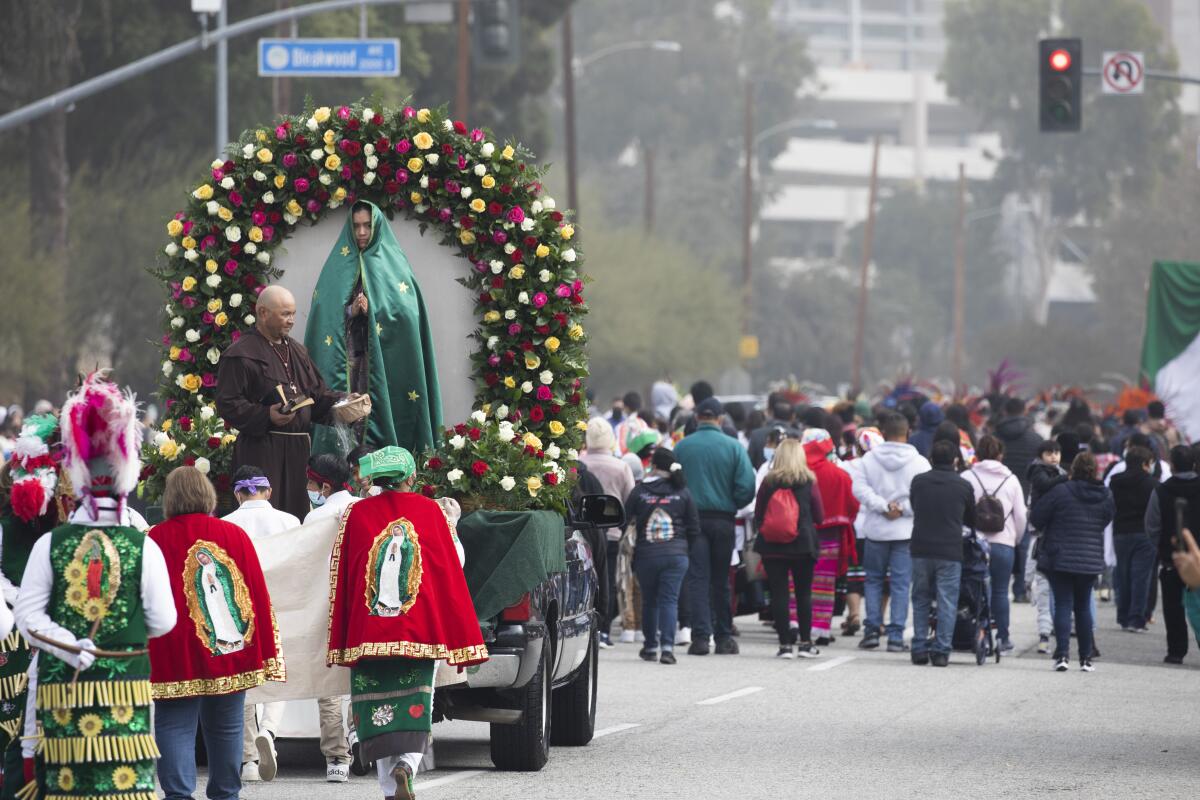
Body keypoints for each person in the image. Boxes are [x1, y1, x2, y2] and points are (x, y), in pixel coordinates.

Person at [13, 374, 177, 800]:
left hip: (62, 691)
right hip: (128, 689)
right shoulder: (144, 544)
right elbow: (163, 619)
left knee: (69, 788)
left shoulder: (51, 543)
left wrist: (69, 643)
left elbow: (28, 618)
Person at [327, 447, 487, 800]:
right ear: (411, 478)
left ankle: (389, 788)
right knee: (418, 701)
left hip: (370, 629)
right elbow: (453, 562)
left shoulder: (357, 513)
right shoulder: (430, 511)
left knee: (376, 706)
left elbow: (344, 569)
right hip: (419, 629)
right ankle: (408, 766)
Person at [149, 467, 284, 800]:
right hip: (228, 647)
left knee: (174, 724)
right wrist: (261, 643)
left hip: (173, 646)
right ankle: (226, 793)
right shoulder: (232, 534)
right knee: (226, 725)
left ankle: (178, 794)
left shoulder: (155, 538)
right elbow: (255, 593)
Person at [216, 285, 369, 520]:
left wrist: (344, 404)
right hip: (261, 451)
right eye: (285, 314)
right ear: (263, 312)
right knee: (265, 519)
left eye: (293, 314)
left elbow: (317, 398)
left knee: (294, 518)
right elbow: (227, 404)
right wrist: (266, 415)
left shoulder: (297, 351)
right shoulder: (241, 353)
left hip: (298, 452)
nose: (291, 321)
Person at [306, 200, 441, 456]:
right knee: (349, 413)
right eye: (356, 226)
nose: (361, 233)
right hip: (350, 362)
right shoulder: (337, 266)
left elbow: (407, 314)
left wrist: (375, 313)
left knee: (377, 411)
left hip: (382, 364)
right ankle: (343, 467)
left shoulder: (393, 264)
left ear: (377, 226)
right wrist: (351, 311)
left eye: (367, 226)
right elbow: (325, 312)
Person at [0, 413, 67, 797]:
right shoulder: (7, 527)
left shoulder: (66, 526)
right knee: (14, 727)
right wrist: (19, 601)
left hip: (61, 638)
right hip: (14, 637)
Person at [219, 467, 298, 782]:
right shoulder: (290, 522)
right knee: (278, 673)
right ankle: (270, 729)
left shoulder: (224, 525)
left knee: (243, 679)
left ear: (238, 494)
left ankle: (249, 760)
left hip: (238, 610)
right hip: (281, 606)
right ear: (268, 491)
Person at [674, 398, 757, 656]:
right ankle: (723, 636)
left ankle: (700, 637)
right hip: (724, 519)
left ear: (697, 418)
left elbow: (674, 483)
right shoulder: (734, 447)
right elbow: (747, 487)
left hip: (694, 520)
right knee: (721, 580)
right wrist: (732, 502)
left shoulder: (682, 447)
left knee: (698, 578)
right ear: (720, 419)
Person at [851, 412, 930, 652]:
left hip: (875, 530)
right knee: (900, 584)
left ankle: (872, 630)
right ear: (908, 433)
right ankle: (896, 636)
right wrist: (903, 509)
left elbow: (859, 489)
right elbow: (924, 496)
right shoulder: (920, 462)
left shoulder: (869, 460)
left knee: (873, 580)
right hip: (905, 533)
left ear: (883, 434)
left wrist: (882, 506)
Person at [1031, 452, 1115, 672]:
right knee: (1083, 607)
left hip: (1060, 556)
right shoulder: (1105, 494)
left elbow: (1037, 517)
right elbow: (1107, 518)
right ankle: (1086, 658)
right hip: (1089, 558)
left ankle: (1062, 655)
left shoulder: (1060, 491)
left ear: (1073, 469)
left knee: (1062, 605)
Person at [624, 448, 698, 665]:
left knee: (650, 601)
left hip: (646, 554)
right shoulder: (682, 491)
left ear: (653, 466)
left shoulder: (640, 491)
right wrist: (684, 550)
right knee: (669, 600)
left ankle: (650, 646)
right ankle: (667, 647)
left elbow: (625, 519)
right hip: (676, 554)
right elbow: (694, 527)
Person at [753, 440, 824, 659]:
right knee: (803, 594)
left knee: (779, 594)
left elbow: (758, 514)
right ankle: (805, 643)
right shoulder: (808, 481)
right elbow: (819, 516)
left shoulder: (768, 481)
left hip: (772, 545)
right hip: (803, 545)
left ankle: (784, 645)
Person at [909, 440, 975, 666]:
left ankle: (919, 647)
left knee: (920, 598)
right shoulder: (963, 485)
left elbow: (914, 506)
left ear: (931, 459)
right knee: (947, 600)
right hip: (950, 550)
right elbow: (971, 518)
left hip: (921, 547)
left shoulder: (919, 482)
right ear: (956, 460)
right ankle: (941, 650)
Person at [964, 435, 1027, 653]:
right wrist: (1014, 539)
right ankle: (1003, 638)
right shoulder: (1011, 480)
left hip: (974, 544)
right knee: (1000, 591)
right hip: (1003, 544)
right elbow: (1021, 516)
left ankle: (974, 633)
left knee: (973, 590)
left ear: (978, 454)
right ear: (1001, 454)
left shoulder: (967, 477)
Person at [580, 418, 636, 648]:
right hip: (611, 533)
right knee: (608, 580)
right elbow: (630, 500)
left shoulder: (579, 464)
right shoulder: (621, 466)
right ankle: (604, 630)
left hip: (582, 533)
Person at [802, 429, 859, 646]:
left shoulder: (795, 471)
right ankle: (821, 629)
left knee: (796, 582)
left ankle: (796, 624)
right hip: (830, 536)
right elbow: (853, 506)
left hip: (798, 534)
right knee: (824, 583)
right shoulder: (839, 474)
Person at [1144, 444, 1200, 664]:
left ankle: (1176, 651)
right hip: (1198, 559)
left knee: (1172, 606)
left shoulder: (1161, 490)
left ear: (1172, 465)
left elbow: (1152, 525)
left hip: (1171, 558)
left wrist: (1161, 547)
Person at [1109, 446, 1158, 632]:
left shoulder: (1115, 482)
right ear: (1146, 464)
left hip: (1121, 531)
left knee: (1123, 574)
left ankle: (1122, 616)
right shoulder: (1153, 484)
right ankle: (1136, 619)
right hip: (1144, 534)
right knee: (1141, 577)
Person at [1026, 440, 1067, 654]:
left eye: (1057, 452)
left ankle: (1051, 634)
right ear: (1040, 455)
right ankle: (1044, 634)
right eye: (1049, 453)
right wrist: (1067, 478)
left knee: (1053, 591)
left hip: (1055, 535)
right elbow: (1044, 485)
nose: (1054, 456)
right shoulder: (1038, 471)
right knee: (1043, 589)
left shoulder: (1060, 472)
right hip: (1042, 535)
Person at [305, 453, 359, 524]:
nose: (307, 487)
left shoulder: (314, 518)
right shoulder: (363, 504)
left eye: (311, 482)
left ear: (326, 487)